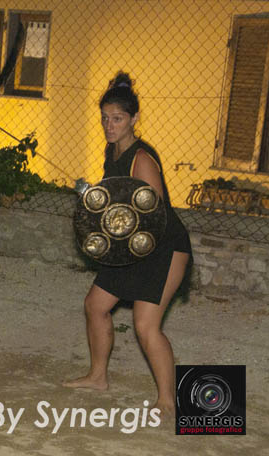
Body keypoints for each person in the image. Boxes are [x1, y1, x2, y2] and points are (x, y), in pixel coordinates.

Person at [63, 72, 192, 418]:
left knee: (146, 326)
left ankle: (168, 400)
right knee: (95, 305)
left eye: (117, 119)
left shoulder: (142, 158)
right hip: (130, 247)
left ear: (134, 119)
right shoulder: (113, 151)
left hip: (164, 248)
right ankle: (98, 377)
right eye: (105, 118)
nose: (109, 125)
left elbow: (152, 217)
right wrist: (94, 195)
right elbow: (120, 202)